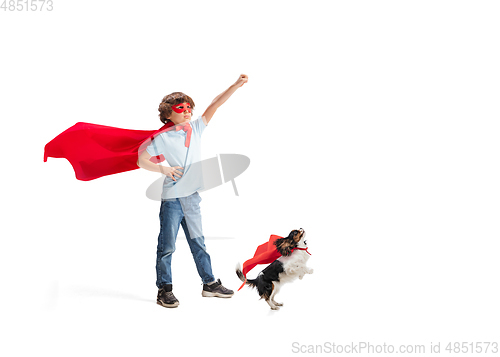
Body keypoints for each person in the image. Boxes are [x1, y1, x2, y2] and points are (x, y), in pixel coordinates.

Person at [137, 74, 249, 308]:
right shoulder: (163, 137)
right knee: (167, 246)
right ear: (168, 114)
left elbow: (215, 104)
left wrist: (235, 86)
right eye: (181, 108)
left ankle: (209, 283)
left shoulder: (196, 128)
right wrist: (164, 170)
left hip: (192, 198)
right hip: (172, 200)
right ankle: (164, 289)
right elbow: (141, 160)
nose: (187, 111)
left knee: (198, 242)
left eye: (189, 107)